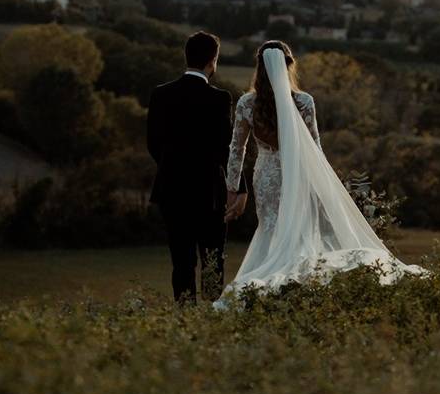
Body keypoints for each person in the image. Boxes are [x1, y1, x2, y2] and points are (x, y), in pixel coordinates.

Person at [218, 41, 424, 307]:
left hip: (266, 176)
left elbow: (237, 149)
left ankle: (269, 290)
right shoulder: (304, 102)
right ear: (289, 66)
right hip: (299, 175)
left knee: (270, 228)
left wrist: (232, 188)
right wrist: (325, 187)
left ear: (259, 68)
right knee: (300, 230)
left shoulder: (247, 103)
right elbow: (315, 150)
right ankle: (299, 288)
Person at [147, 31, 244, 302]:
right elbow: (228, 149)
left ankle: (185, 321)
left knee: (182, 262)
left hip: (171, 190)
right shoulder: (219, 98)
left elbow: (153, 144)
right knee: (213, 260)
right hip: (209, 193)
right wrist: (238, 187)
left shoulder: (160, 94)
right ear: (213, 61)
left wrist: (173, 167)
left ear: (186, 56)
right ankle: (212, 318)